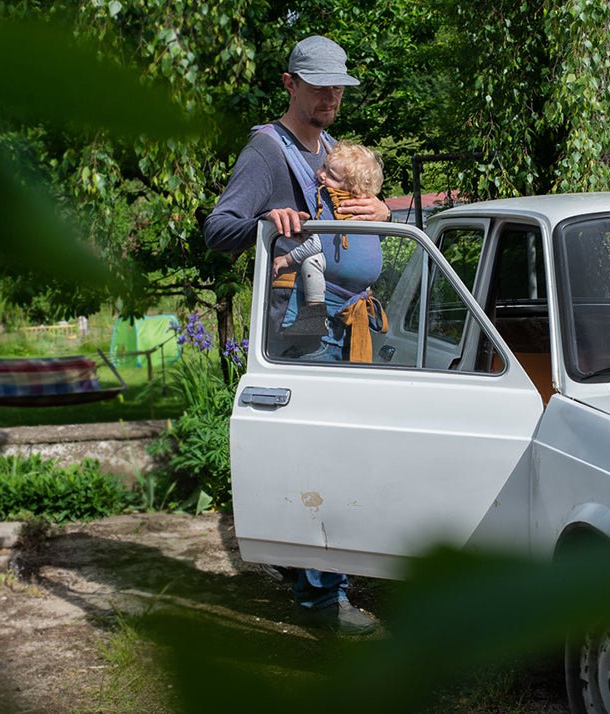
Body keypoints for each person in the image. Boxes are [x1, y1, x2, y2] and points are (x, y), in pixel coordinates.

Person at [203, 35, 388, 635]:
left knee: (339, 457)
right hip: (303, 328)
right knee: (324, 461)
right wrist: (265, 222)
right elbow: (218, 229)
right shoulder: (267, 149)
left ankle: (313, 576)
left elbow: (361, 227)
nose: (332, 95)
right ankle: (322, 604)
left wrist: (384, 214)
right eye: (320, 85)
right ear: (290, 83)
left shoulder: (335, 150)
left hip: (348, 326)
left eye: (339, 85)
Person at [271, 140, 385, 336]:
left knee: (311, 261)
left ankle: (314, 316)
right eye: (324, 166)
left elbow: (317, 244)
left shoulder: (334, 205)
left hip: (339, 281)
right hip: (365, 283)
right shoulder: (367, 210)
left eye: (331, 175)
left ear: (352, 188)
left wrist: (286, 259)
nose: (320, 174)